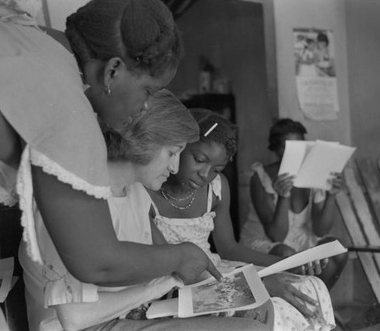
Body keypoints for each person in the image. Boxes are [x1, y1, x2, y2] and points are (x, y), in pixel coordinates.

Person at [0, 0, 219, 329]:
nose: (145, 106)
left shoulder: (17, 37)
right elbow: (97, 263)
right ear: (112, 71)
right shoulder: (67, 112)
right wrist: (182, 256)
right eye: (148, 90)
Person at [20, 89, 267, 331]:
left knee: (254, 323)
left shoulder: (137, 193)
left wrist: (232, 295)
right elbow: (75, 318)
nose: (174, 166)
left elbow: (162, 266)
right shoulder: (72, 198)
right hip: (89, 326)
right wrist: (167, 280)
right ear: (146, 141)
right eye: (172, 152)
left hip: (132, 317)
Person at [148, 109, 336, 330]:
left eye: (217, 169)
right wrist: (257, 284)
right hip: (180, 281)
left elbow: (229, 248)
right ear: (178, 148)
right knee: (270, 306)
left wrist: (290, 266)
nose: (205, 174)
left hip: (215, 269)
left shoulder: (217, 188)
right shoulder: (147, 192)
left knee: (307, 285)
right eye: (199, 160)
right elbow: (174, 270)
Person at [239, 118, 348, 290]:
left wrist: (331, 196)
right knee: (287, 254)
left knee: (338, 249)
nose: (296, 153)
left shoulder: (313, 175)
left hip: (303, 240)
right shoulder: (261, 177)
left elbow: (321, 230)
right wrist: (284, 196)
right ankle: (297, 306)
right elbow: (276, 236)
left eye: (300, 147)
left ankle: (313, 302)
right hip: (267, 242)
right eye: (288, 147)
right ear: (275, 149)